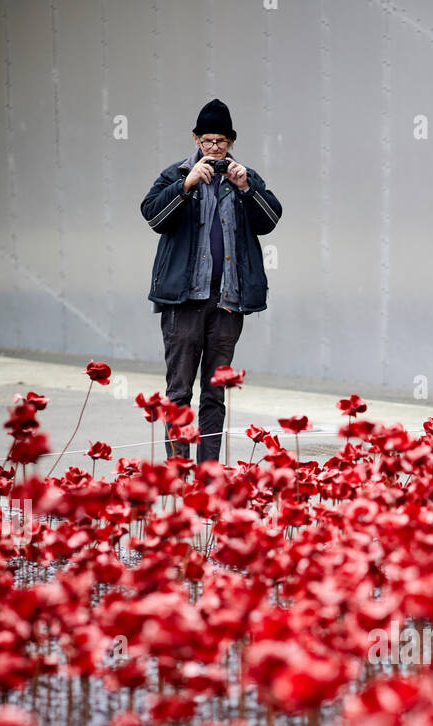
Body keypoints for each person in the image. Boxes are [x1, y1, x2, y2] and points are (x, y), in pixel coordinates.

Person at [140, 99, 282, 464]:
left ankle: (208, 473)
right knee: (179, 391)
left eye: (221, 141)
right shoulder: (176, 174)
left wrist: (247, 188)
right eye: (207, 141)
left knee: (215, 393)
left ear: (231, 141)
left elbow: (270, 221)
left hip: (227, 303)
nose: (214, 148)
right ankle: (177, 472)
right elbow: (153, 216)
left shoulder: (243, 177)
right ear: (195, 139)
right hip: (183, 303)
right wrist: (185, 187)